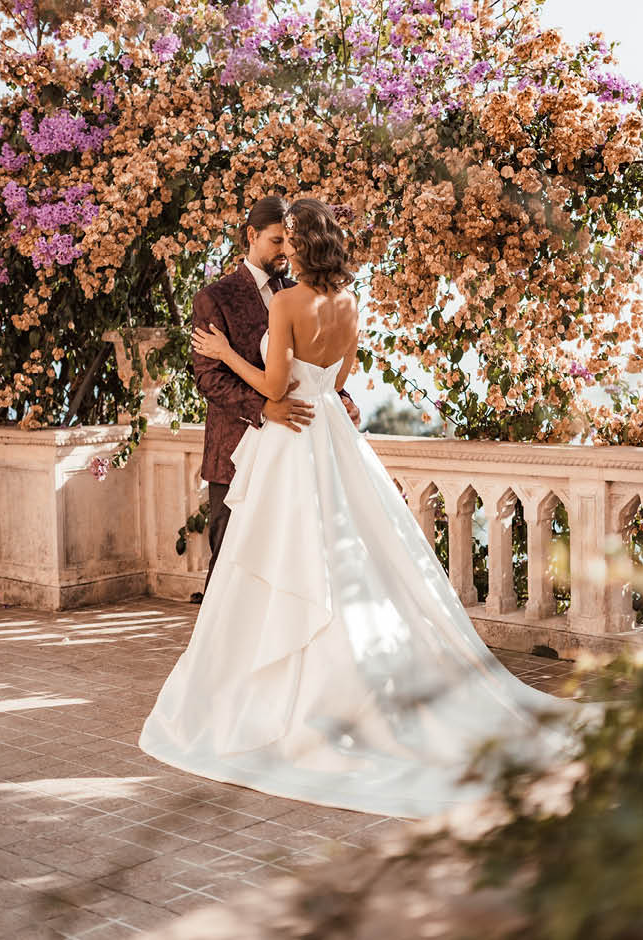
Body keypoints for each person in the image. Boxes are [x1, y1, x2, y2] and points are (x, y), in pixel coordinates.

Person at [139, 199, 590, 819]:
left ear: (300, 244)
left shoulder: (285, 303)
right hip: (331, 433)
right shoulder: (349, 304)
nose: (283, 246)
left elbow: (274, 388)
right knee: (348, 551)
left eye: (288, 238)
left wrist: (224, 353)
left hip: (290, 439)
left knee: (282, 555)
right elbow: (337, 375)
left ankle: (280, 689)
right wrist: (316, 390)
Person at [190, 196, 361, 597]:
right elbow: (207, 378)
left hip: (298, 449)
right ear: (251, 236)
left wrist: (343, 400)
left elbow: (315, 368)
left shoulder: (298, 289)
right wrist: (266, 408)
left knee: (297, 561)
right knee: (232, 566)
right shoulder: (215, 298)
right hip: (234, 455)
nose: (285, 250)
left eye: (290, 241)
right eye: (276, 241)